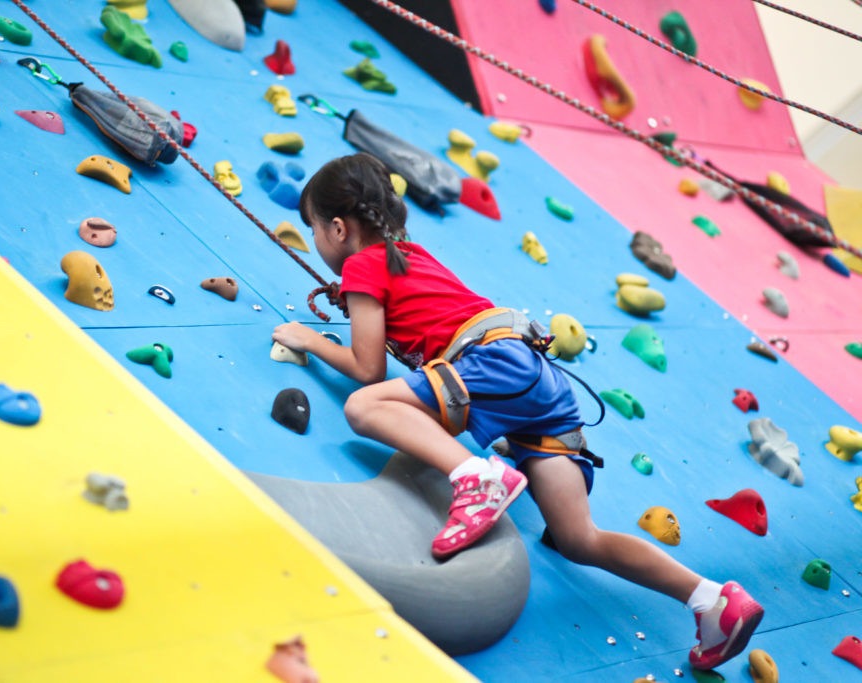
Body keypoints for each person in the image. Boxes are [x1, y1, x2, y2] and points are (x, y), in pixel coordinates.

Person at [271, 153, 763, 669]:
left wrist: (311, 338)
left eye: (314, 229)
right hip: (535, 378)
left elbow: (369, 368)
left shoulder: (362, 265)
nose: (317, 241)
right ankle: (711, 599)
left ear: (337, 228)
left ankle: (474, 477)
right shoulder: (407, 256)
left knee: (364, 406)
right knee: (578, 537)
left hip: (490, 363)